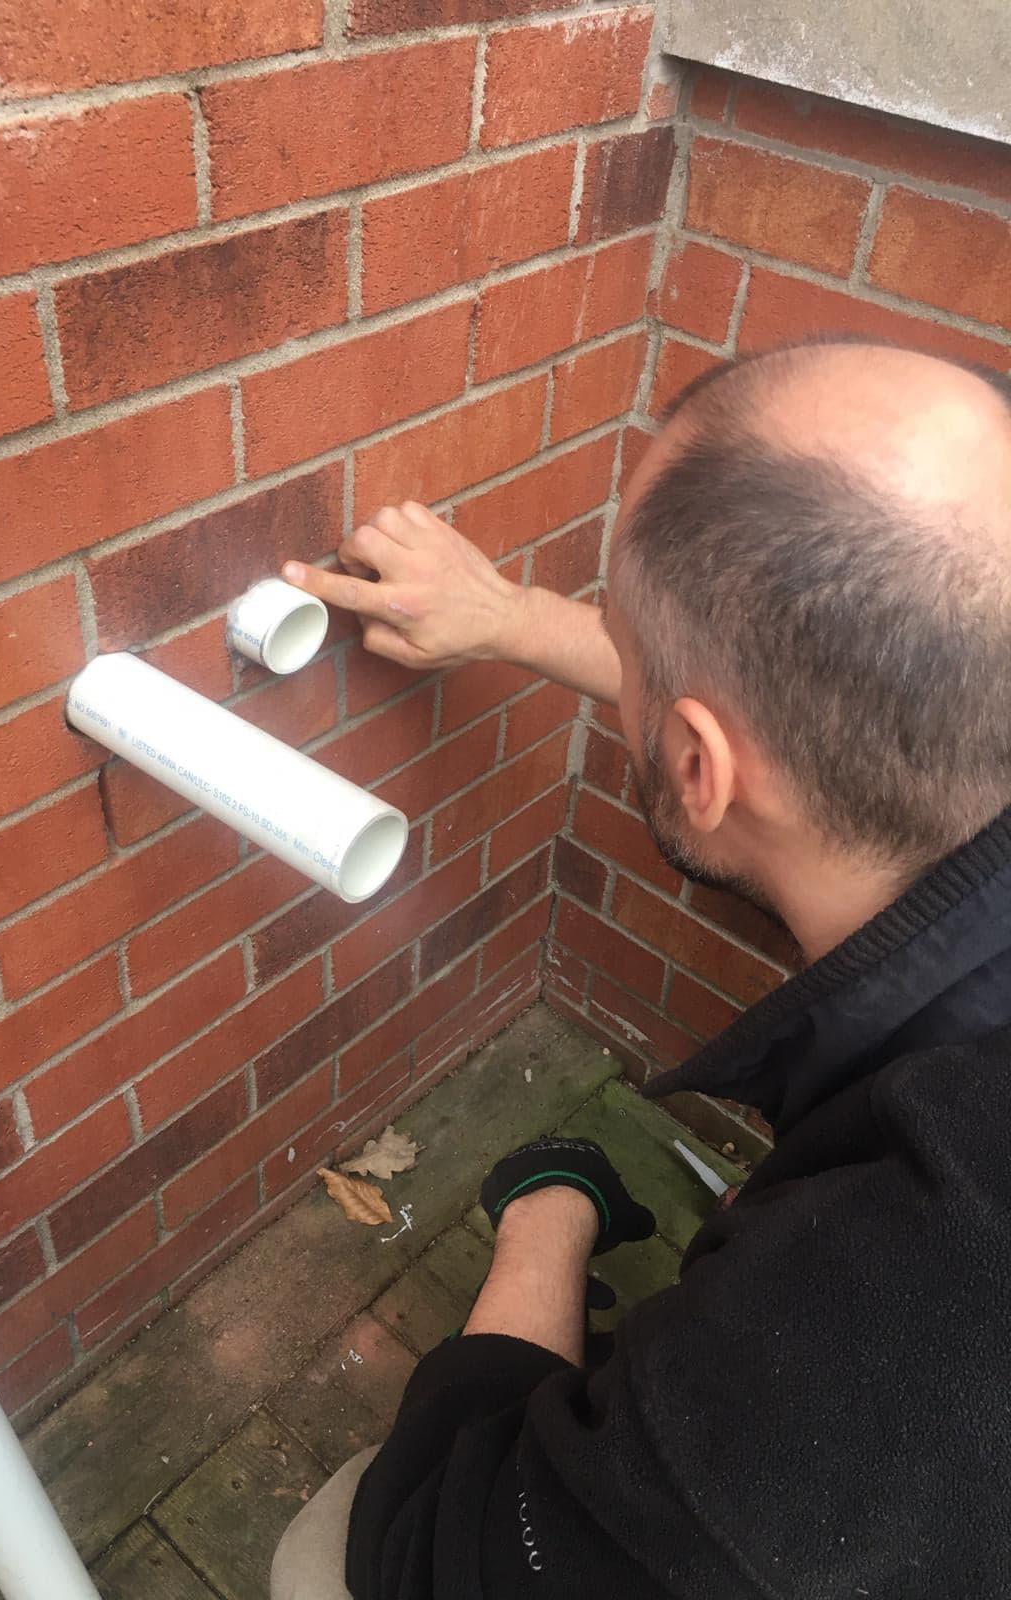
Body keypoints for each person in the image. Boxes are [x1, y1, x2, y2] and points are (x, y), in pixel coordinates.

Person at [270, 341, 1011, 1599]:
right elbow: (813, 697)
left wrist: (545, 1226)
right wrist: (508, 616)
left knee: (318, 1561)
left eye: (626, 647)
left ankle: (554, 1199)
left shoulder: (866, 1342)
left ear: (698, 767)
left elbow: (438, 1564)